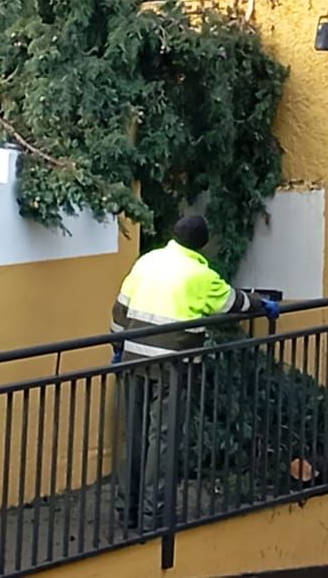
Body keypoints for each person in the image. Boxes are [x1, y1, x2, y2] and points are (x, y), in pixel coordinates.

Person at [110, 214, 279, 532]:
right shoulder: (200, 275)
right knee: (162, 438)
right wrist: (262, 305)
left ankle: (126, 508)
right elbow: (233, 302)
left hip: (134, 359)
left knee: (133, 434)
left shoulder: (148, 262)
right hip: (173, 365)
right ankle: (153, 514)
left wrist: (118, 347)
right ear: (202, 243)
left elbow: (120, 310)